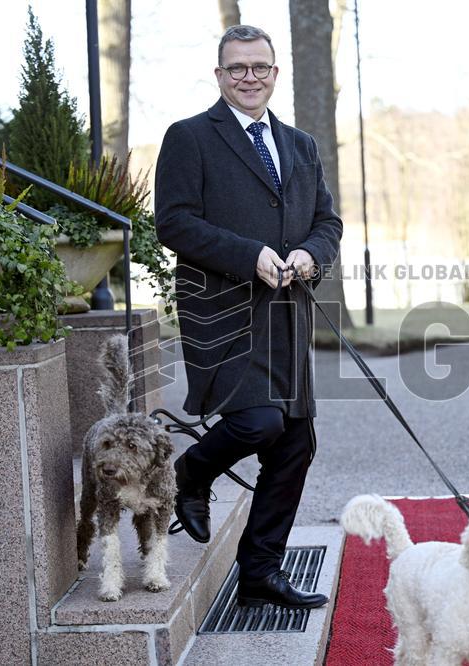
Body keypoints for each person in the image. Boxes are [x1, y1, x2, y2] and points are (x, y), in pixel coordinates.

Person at [153, 25, 343, 610]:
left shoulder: (301, 144)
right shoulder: (189, 138)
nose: (250, 77)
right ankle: (187, 476)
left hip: (289, 316)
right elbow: (174, 222)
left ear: (275, 73)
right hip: (224, 312)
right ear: (219, 74)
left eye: (260, 67)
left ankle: (260, 575)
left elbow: (327, 223)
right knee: (258, 424)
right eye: (237, 68)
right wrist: (248, 255)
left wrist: (312, 253)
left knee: (295, 445)